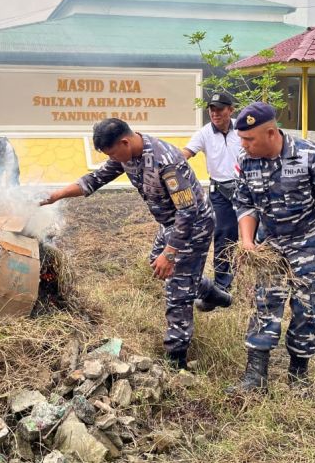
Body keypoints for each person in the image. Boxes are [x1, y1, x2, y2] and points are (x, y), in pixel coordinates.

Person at [40, 118, 230, 370]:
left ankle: (176, 361)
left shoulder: (167, 161)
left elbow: (188, 211)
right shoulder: (125, 155)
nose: (113, 159)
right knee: (158, 264)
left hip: (193, 225)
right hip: (170, 224)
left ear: (125, 141)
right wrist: (55, 196)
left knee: (177, 290)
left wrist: (171, 253)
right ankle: (213, 293)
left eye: (112, 153)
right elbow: (95, 179)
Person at [228, 102, 315, 392]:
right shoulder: (246, 160)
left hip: (309, 243)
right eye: (242, 139)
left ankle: (298, 372)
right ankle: (255, 376)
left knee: (308, 309)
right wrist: (248, 241)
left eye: (249, 139)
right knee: (264, 303)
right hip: (271, 244)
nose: (244, 145)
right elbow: (245, 203)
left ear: (271, 133)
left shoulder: (309, 155)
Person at [183, 91, 242, 303]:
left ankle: (253, 284)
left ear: (230, 110)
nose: (215, 114)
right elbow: (186, 153)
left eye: (220, 109)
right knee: (224, 236)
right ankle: (222, 286)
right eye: (212, 110)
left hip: (247, 189)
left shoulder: (242, 128)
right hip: (221, 193)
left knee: (255, 236)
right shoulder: (204, 133)